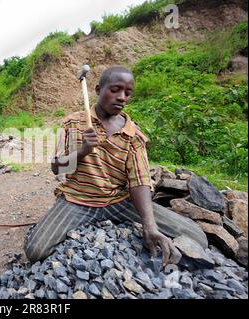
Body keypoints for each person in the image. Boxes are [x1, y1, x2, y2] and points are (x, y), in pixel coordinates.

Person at [24, 66, 196, 266]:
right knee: (35, 250)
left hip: (119, 201)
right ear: (98, 90)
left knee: (196, 236)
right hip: (78, 199)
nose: (122, 97)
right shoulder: (74, 124)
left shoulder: (134, 135)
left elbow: (139, 181)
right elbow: (57, 168)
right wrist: (82, 152)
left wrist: (150, 226)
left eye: (127, 93)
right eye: (115, 90)